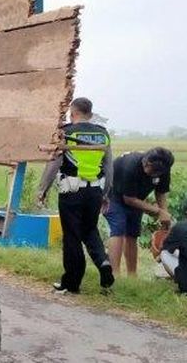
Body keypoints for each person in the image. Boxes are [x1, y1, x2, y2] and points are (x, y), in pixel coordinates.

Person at [37, 97, 115, 294]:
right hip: (95, 191)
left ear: (73, 113)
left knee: (72, 236)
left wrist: (42, 190)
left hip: (72, 191)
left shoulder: (67, 132)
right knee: (90, 230)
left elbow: (54, 164)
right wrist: (105, 193)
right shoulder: (103, 134)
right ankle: (104, 263)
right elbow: (109, 166)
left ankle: (72, 283)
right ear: (90, 113)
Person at [104, 147, 174, 276]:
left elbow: (161, 191)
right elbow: (129, 199)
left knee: (132, 234)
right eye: (146, 164)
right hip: (113, 196)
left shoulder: (164, 169)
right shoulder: (130, 165)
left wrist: (164, 214)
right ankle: (114, 275)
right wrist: (157, 211)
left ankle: (132, 275)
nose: (146, 168)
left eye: (150, 169)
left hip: (137, 198)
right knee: (118, 229)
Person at [160, 209, 187, 294]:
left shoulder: (180, 227)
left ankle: (179, 278)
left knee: (164, 253)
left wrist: (171, 230)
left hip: (185, 286)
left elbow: (162, 247)